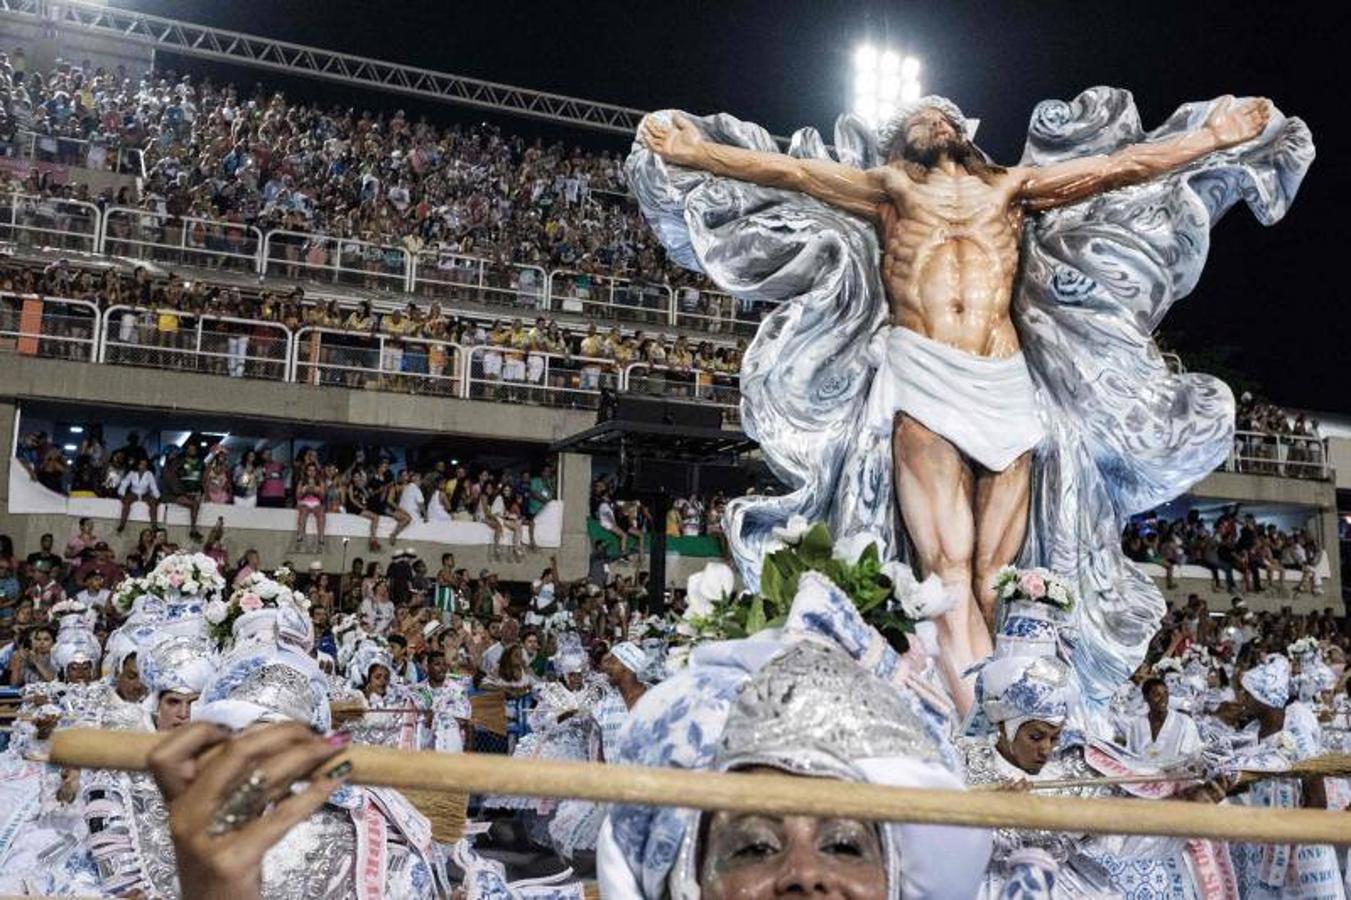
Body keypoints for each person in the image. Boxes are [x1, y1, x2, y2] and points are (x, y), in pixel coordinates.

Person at [636, 90, 1301, 716]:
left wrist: (1211, 138)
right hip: (923, 370)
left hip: (1005, 380)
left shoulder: (1008, 186)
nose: (935, 120)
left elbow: (1117, 168)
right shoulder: (890, 188)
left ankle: (1008, 721)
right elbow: (789, 172)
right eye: (922, 117)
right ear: (903, 138)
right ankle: (975, 724)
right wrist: (696, 154)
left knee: (995, 577)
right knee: (946, 570)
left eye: (943, 116)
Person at [1125, 676, 1203, 766]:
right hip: (1140, 774)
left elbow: (1190, 758)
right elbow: (1129, 756)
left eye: (1166, 694)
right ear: (1146, 698)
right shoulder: (1136, 724)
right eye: (1157, 695)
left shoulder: (1185, 723)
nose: (1163, 699)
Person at [116, 456, 160, 534]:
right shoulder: (132, 473)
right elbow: (124, 483)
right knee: (126, 503)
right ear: (137, 465)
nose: (143, 466)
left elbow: (153, 486)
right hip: (133, 493)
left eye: (145, 465)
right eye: (141, 464)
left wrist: (157, 497)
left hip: (145, 494)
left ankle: (154, 526)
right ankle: (122, 524)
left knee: (153, 504)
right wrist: (121, 494)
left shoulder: (149, 474)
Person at [293, 460, 327, 549]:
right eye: (310, 470)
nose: (312, 472)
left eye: (313, 470)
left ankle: (321, 538)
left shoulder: (320, 482)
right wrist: (304, 490)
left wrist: (318, 491)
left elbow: (323, 497)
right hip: (304, 503)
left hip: (316, 503)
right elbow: (297, 496)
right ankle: (300, 537)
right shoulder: (302, 481)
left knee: (321, 512)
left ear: (316, 472)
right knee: (303, 511)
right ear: (306, 472)